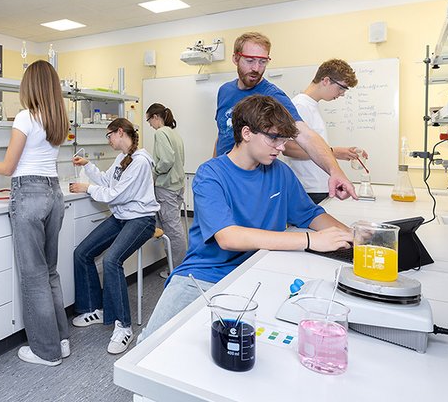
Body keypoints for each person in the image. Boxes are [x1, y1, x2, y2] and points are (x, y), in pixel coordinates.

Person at [141, 94, 352, 340]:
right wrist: (310, 241)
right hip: (203, 275)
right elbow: (228, 237)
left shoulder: (280, 173)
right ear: (247, 133)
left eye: (284, 139)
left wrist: (353, 236)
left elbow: (310, 214)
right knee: (151, 344)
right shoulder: (210, 174)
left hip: (257, 271)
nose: (282, 147)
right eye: (274, 138)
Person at [0, 60, 70, 367]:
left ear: (30, 86)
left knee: (34, 276)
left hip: (30, 194)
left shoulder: (26, 117)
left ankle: (45, 351)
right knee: (49, 272)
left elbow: (8, 168)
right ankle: (60, 341)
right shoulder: (57, 119)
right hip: (54, 193)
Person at [213, 32, 356, 200]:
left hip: (252, 185)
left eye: (263, 61)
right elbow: (222, 133)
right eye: (250, 60)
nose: (256, 68)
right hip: (223, 179)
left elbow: (306, 135)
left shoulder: (273, 96)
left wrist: (335, 171)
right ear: (236, 59)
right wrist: (214, 166)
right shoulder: (224, 91)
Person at [69, 118, 160, 354]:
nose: (108, 140)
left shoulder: (140, 162)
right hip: (122, 217)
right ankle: (94, 308)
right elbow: (108, 181)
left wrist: (86, 188)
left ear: (120, 132)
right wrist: (88, 166)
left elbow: (115, 195)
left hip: (141, 219)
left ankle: (124, 327)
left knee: (112, 260)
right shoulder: (122, 158)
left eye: (109, 135)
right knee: (82, 253)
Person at [286, 59, 366, 204]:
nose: (342, 94)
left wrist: (340, 152)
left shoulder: (312, 105)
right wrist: (334, 152)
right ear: (326, 80)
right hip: (308, 189)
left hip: (318, 188)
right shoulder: (300, 105)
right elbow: (288, 148)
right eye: (341, 88)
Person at [145, 103, 188, 279]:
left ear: (156, 117)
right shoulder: (174, 133)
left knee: (173, 229)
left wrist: (153, 173)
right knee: (172, 226)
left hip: (166, 186)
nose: (149, 125)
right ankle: (176, 265)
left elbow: (166, 160)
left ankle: (178, 271)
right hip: (177, 184)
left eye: (149, 120)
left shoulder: (161, 132)